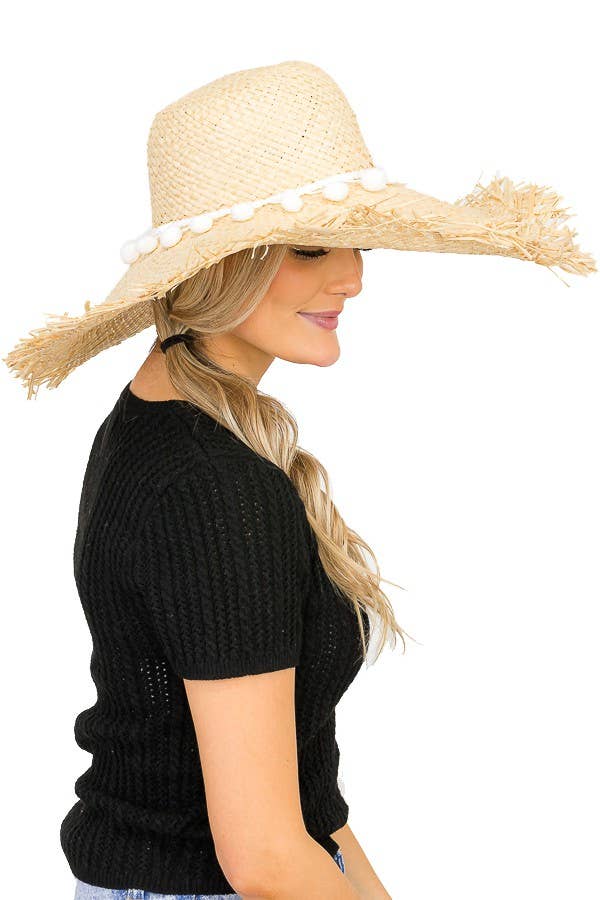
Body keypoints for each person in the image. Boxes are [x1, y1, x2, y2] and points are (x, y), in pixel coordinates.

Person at [3, 60, 594, 899]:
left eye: (357, 243)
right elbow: (266, 857)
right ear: (219, 266)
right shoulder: (211, 486)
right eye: (311, 246)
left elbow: (300, 801)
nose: (352, 276)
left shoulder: (160, 421)